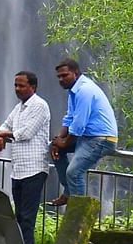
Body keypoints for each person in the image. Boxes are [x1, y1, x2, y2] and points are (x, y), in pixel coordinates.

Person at [0, 70, 49, 244]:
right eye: (15, 85)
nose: (17, 89)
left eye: (21, 85)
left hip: (34, 168)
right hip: (19, 169)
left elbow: (25, 133)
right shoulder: (19, 107)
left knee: (27, 216)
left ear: (33, 87)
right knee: (19, 214)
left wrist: (1, 136)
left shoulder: (40, 106)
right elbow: (7, 124)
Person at [48, 58, 118, 205]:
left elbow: (79, 124)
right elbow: (69, 118)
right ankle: (68, 192)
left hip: (102, 139)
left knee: (73, 173)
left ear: (76, 73)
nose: (61, 79)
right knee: (54, 149)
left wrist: (65, 142)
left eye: (65, 75)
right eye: (59, 76)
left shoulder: (84, 90)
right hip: (87, 138)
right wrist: (57, 142)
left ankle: (77, 214)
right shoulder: (74, 92)